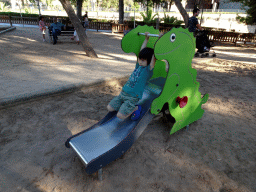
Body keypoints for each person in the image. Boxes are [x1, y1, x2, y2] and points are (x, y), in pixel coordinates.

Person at [107, 32, 156, 121]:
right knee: (109, 108)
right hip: (123, 93)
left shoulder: (148, 70)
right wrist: (146, 39)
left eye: (143, 60)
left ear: (149, 61)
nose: (140, 61)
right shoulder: (138, 66)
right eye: (140, 59)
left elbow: (153, 58)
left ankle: (136, 108)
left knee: (120, 116)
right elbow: (141, 50)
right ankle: (124, 106)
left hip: (133, 97)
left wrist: (159, 42)